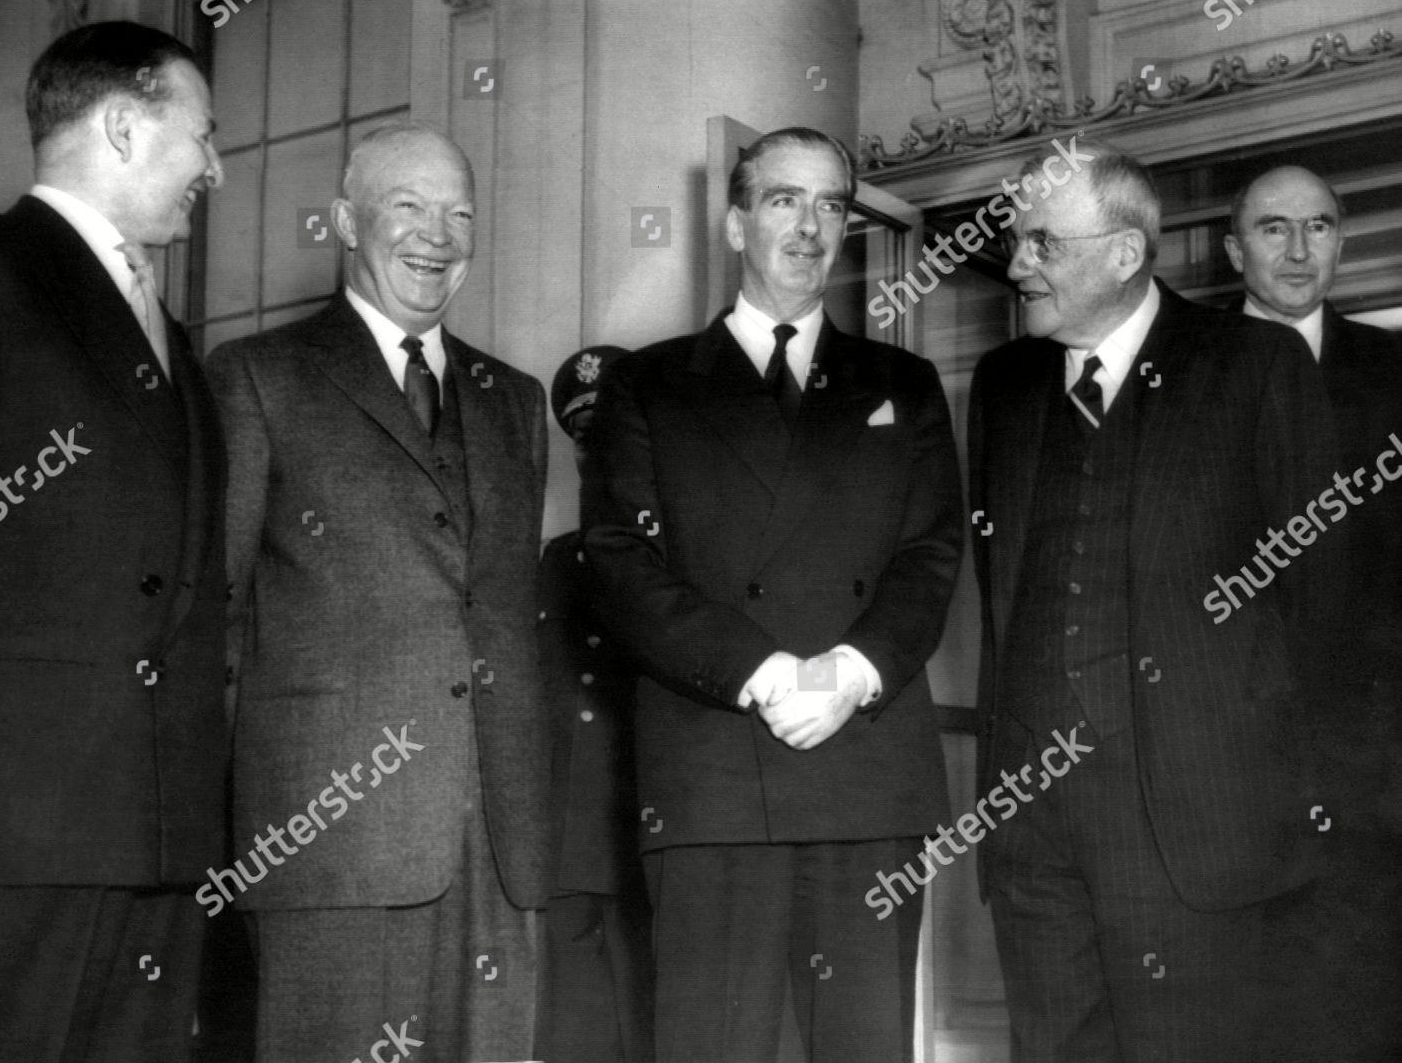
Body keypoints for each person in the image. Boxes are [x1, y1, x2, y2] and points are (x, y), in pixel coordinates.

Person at [581, 126, 963, 1063]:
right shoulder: (648, 383)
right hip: (714, 773)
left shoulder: (901, 383)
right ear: (736, 222)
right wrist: (761, 669)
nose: (811, 224)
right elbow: (621, 565)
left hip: (867, 777)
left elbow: (932, 555)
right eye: (786, 199)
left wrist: (854, 668)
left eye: (831, 204)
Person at [968, 140, 1338, 1062]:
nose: (1016, 265)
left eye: (1042, 244)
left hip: (1192, 822)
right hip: (1031, 821)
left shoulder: (1257, 364)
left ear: (1125, 254)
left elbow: (1317, 596)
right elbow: (999, 586)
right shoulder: (1004, 386)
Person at [0, 21, 228, 1061]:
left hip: (154, 836)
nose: (215, 168)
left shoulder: (170, 338)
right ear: (125, 128)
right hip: (1, 830)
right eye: (203, 135)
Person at [206, 122, 549, 1063]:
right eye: (408, 206)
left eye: (460, 213)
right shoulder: (256, 377)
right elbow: (217, 622)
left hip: (502, 848)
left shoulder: (517, 400)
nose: (437, 234)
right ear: (345, 223)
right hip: (328, 842)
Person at [1224, 164, 1402, 1062]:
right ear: (1232, 249)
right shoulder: (1179, 373)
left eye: (1320, 227)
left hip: (1371, 765)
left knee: (1359, 1008)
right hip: (1222, 758)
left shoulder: (1395, 371)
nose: (1298, 250)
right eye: (1273, 228)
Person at [538, 345, 653, 1063]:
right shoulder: (556, 560)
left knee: (659, 1027)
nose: (596, 455)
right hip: (568, 837)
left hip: (654, 829)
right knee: (573, 1033)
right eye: (585, 439)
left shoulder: (688, 555)